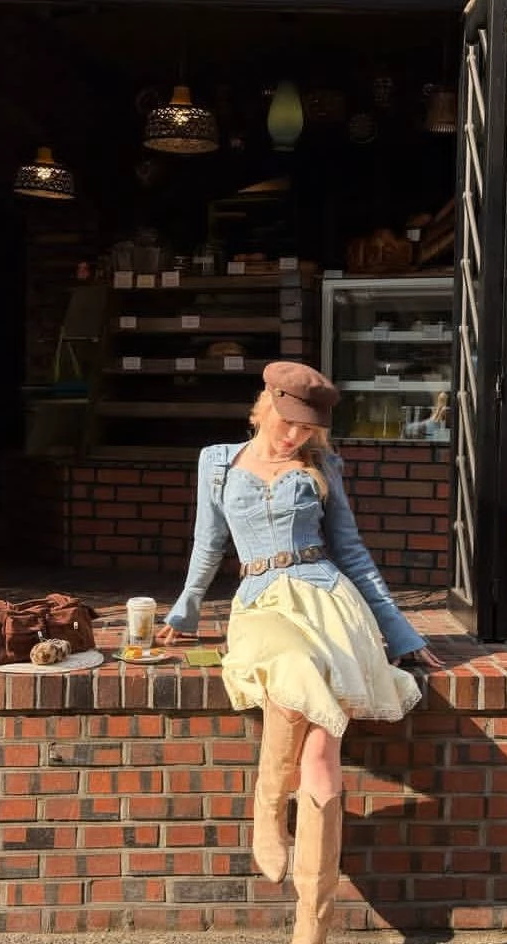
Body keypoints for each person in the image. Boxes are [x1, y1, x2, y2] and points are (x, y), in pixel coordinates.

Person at [157, 361, 443, 944]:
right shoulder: (218, 462)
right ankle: (268, 807)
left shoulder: (323, 467)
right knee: (293, 670)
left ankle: (311, 929)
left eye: (307, 429)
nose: (294, 436)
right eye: (288, 422)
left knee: (320, 751)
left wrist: (402, 634)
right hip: (261, 604)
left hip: (329, 602)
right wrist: (184, 612)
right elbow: (207, 545)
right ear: (264, 404)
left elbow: (352, 552)